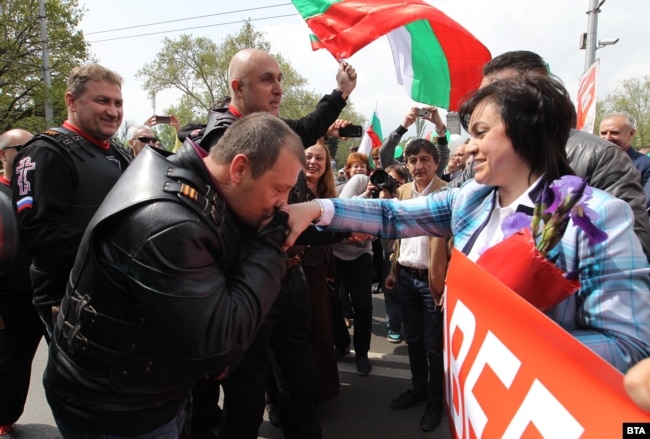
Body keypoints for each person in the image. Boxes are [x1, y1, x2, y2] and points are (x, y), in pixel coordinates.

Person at [285, 74, 650, 375]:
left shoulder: (594, 217)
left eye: (480, 132)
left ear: (526, 132)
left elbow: (629, 346)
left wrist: (513, 340)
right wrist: (316, 209)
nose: (468, 147)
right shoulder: (471, 197)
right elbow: (392, 215)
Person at [43, 113, 305, 438]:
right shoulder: (169, 223)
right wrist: (271, 243)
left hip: (142, 394)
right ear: (239, 168)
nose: (283, 204)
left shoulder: (190, 182)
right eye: (280, 189)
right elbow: (219, 345)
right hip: (117, 413)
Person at [190, 48, 357, 439]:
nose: (279, 88)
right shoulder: (223, 136)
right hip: (247, 284)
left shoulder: (268, 127)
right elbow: (272, 219)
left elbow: (303, 128)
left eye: (280, 78)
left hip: (289, 278)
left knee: (299, 380)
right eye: (267, 80)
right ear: (237, 87)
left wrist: (340, 94)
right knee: (246, 392)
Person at [449, 50, 650, 259]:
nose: (482, 105)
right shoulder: (482, 167)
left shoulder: (603, 158)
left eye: (495, 95)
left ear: (536, 94)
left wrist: (539, 268)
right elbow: (442, 202)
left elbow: (630, 250)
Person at [11, 64, 132, 337]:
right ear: (71, 101)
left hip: (118, 294)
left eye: (118, 102)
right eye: (102, 101)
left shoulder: (120, 152)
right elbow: (39, 235)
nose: (113, 111)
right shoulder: (45, 154)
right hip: (72, 298)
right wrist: (120, 245)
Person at [384, 138, 449, 432]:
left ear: (436, 163)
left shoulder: (448, 194)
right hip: (406, 278)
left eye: (424, 160)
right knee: (413, 341)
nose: (418, 166)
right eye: (412, 161)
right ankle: (419, 388)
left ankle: (436, 401)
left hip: (432, 283)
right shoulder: (404, 191)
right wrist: (394, 268)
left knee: (435, 348)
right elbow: (399, 234)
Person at [0, 129, 47, 439]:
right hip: (9, 303)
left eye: (35, 147)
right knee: (9, 366)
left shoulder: (41, 191)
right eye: (22, 147)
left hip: (46, 295)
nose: (31, 153)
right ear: (3, 154)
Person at [599, 111, 650, 211]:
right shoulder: (593, 161)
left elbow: (643, 206)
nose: (608, 137)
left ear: (631, 134)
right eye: (603, 133)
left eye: (614, 133)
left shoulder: (645, 165)